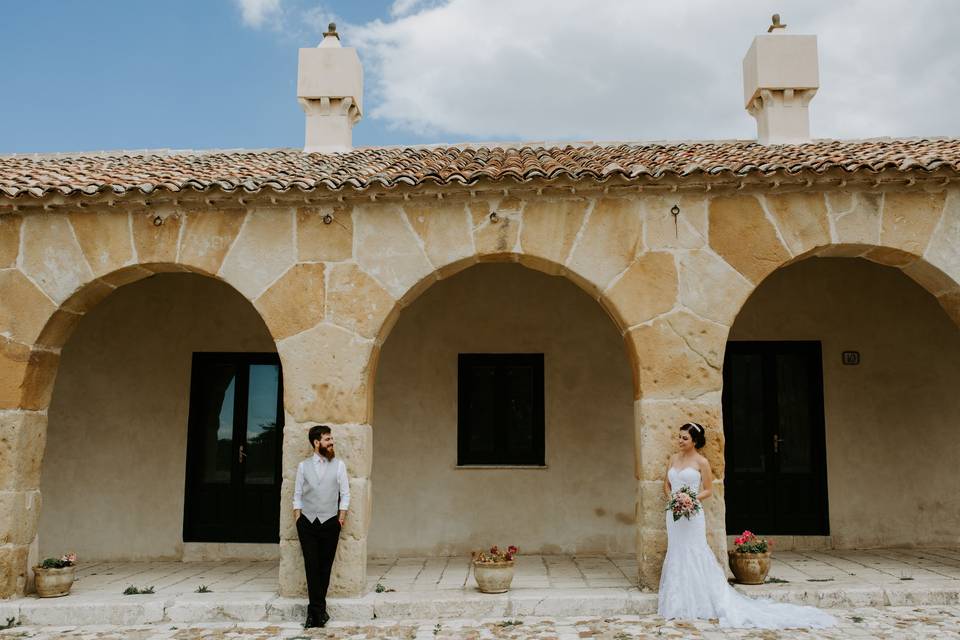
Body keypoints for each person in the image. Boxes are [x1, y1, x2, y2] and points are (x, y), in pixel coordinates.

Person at [658, 422, 836, 629]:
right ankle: (677, 601)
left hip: (692, 514)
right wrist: (674, 499)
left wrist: (690, 500)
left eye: (684, 438)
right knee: (677, 551)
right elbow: (666, 483)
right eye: (679, 437)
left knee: (695, 551)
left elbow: (708, 490)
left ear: (695, 441)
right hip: (674, 515)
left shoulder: (702, 462)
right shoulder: (673, 459)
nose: (680, 441)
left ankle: (701, 600)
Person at [293, 424, 350, 629]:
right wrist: (298, 518)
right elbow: (297, 495)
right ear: (317, 443)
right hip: (307, 523)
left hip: (330, 522)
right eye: (327, 439)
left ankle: (315, 612)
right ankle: (317, 612)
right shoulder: (303, 466)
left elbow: (345, 493)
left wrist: (341, 517)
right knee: (311, 566)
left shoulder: (339, 465)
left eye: (331, 439)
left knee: (324, 567)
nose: (331, 442)